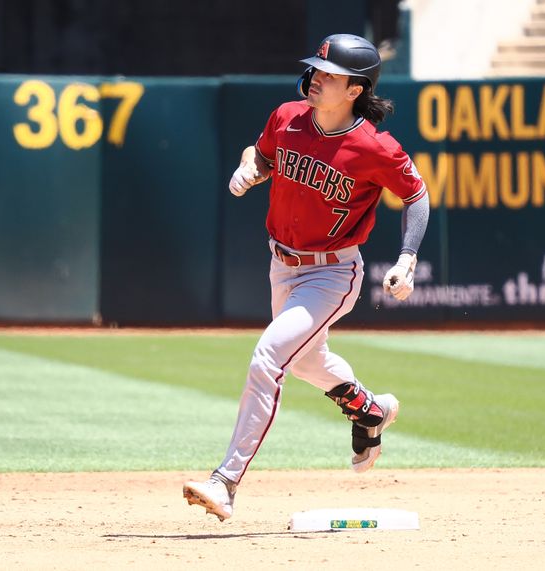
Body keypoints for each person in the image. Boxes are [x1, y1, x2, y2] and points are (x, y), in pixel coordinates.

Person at [183, 33, 430, 522]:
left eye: (329, 74)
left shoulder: (373, 146)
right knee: (305, 361)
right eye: (316, 69)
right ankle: (370, 409)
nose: (316, 77)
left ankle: (225, 481)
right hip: (282, 263)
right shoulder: (287, 116)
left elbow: (417, 195)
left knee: (269, 356)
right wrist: (249, 168)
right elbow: (260, 153)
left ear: (354, 89)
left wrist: (407, 257)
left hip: (333, 272)